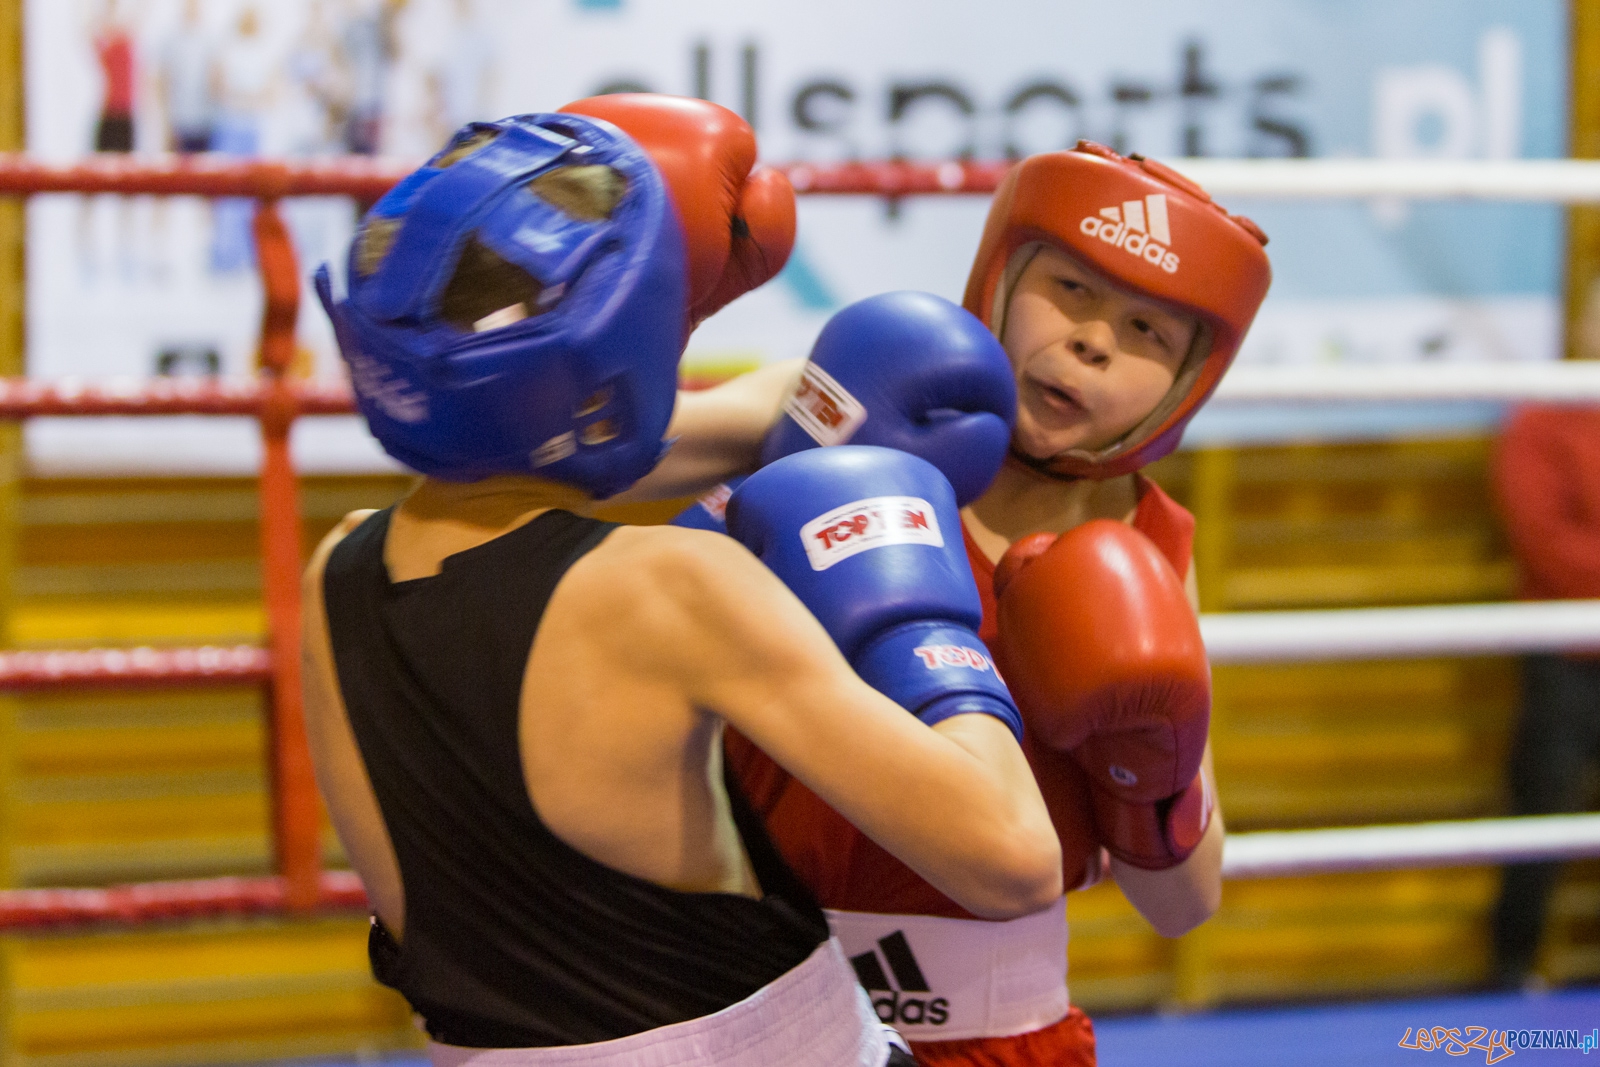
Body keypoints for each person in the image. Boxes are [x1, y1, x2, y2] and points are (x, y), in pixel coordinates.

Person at [304, 100, 1061, 1066]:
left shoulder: (341, 572)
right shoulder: (673, 587)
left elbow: (667, 432)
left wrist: (812, 381)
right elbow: (1011, 858)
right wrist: (919, 631)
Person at [698, 142, 1272, 1065]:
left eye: (1147, 331)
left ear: (1186, 383)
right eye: (1073, 291)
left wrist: (1150, 771)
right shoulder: (837, 425)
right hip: (745, 1005)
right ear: (1000, 277)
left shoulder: (1150, 550)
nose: (1093, 340)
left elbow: (1182, 904)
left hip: (1002, 1032)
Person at [1489, 401, 1600, 989]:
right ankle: (1510, 973)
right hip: (1564, 650)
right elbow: (1542, 535)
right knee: (1542, 802)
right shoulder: (1543, 418)